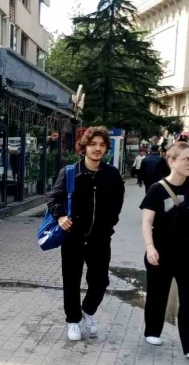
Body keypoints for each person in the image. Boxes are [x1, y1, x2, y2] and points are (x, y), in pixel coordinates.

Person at [46, 126, 125, 342]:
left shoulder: (112, 175)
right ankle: (73, 320)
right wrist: (60, 217)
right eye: (93, 144)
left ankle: (87, 311)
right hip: (73, 237)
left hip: (100, 238)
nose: (97, 149)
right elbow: (53, 197)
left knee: (100, 281)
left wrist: (108, 224)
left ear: (106, 148)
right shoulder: (71, 172)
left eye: (101, 145)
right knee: (71, 280)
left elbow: (117, 204)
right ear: (85, 147)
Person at [140, 141, 189, 359]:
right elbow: (146, 221)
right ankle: (152, 330)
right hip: (161, 251)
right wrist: (149, 247)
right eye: (186, 159)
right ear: (171, 161)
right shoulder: (157, 189)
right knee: (157, 293)